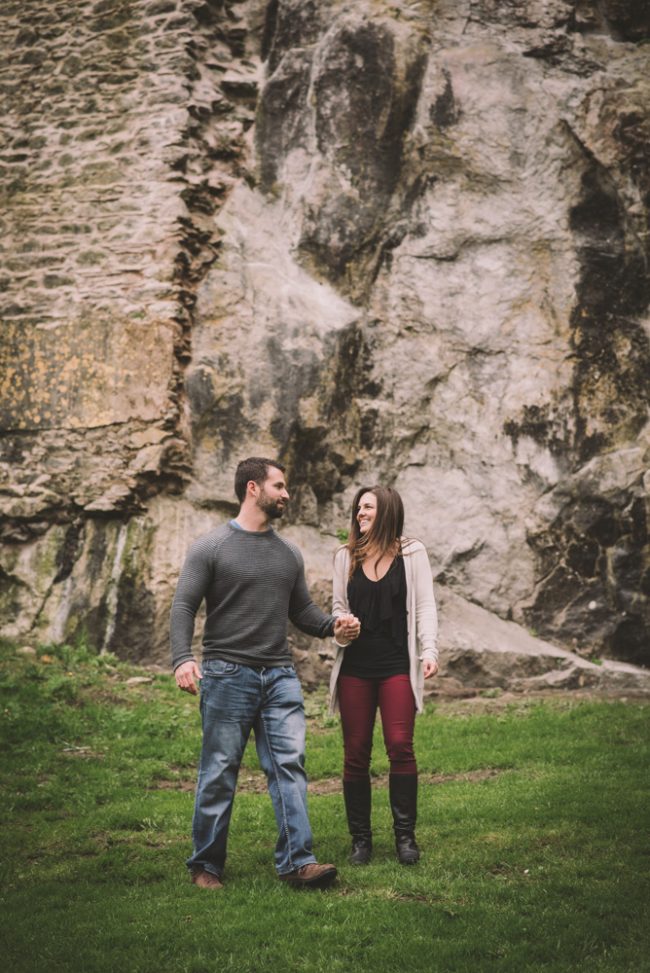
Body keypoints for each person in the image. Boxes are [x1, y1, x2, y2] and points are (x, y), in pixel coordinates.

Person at [171, 457, 360, 890]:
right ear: (253, 488)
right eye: (279, 485)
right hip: (225, 673)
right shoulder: (211, 546)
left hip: (279, 675)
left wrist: (334, 625)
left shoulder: (288, 553)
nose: (287, 493)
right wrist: (183, 658)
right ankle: (206, 865)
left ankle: (298, 862)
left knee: (289, 766)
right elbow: (184, 605)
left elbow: (301, 612)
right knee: (219, 769)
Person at [329, 485, 439, 866]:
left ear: (387, 511)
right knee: (355, 753)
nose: (360, 513)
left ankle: (405, 837)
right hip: (355, 669)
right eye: (358, 508)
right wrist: (341, 627)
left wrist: (429, 651)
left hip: (396, 666)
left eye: (369, 508)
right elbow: (337, 609)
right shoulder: (345, 557)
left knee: (399, 746)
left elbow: (424, 605)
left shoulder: (412, 553)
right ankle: (361, 840)